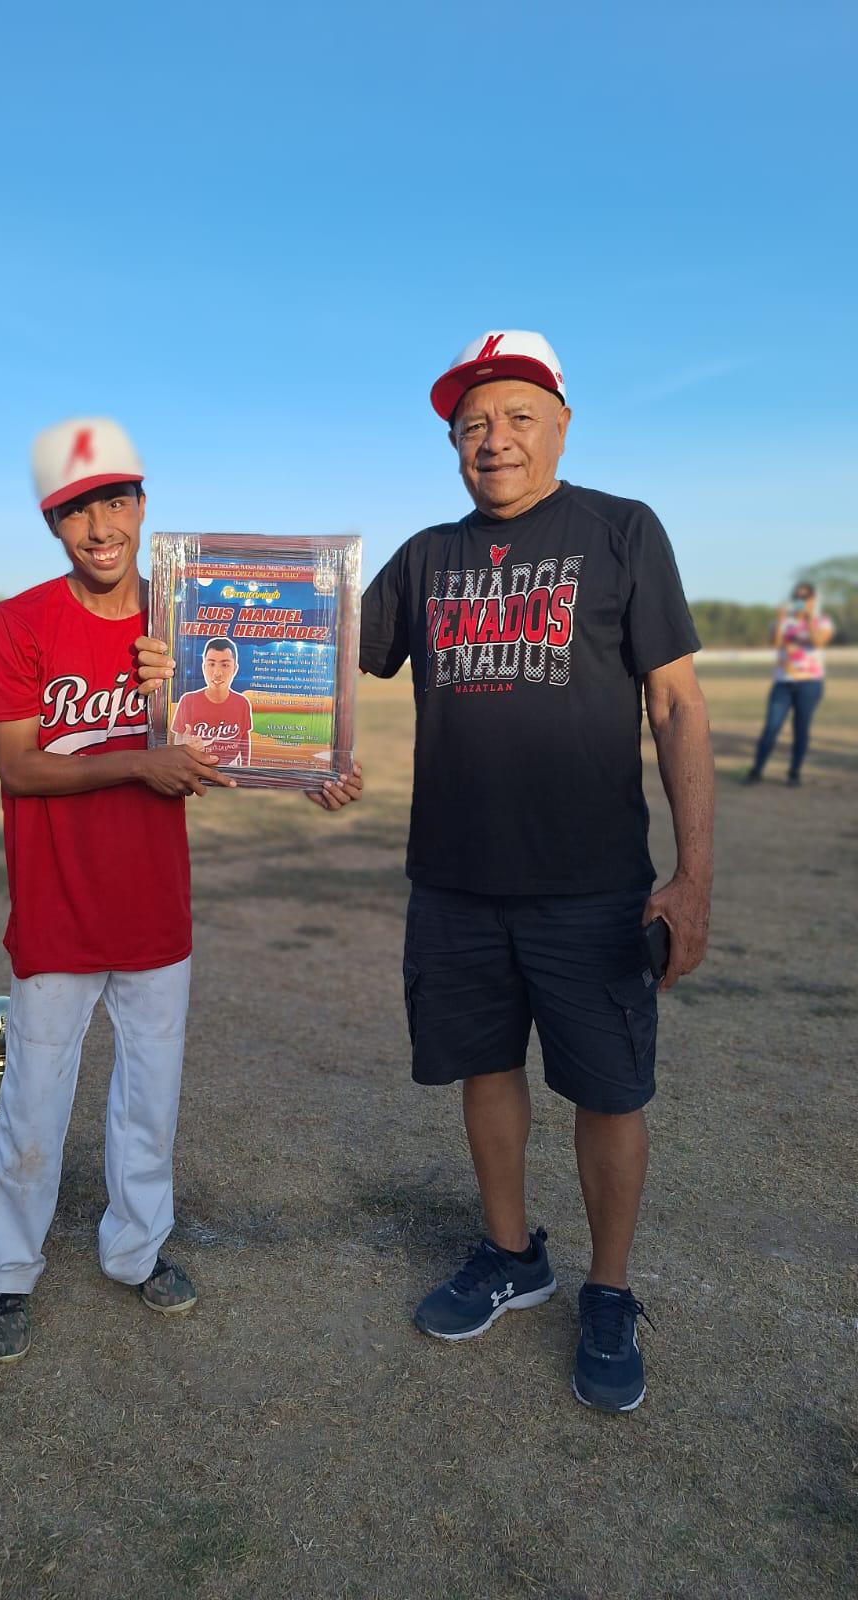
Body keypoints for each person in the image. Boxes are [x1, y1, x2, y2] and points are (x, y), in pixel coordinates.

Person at [359, 330, 714, 1412]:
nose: (494, 439)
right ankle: (512, 1255)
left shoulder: (621, 530)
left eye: (517, 416)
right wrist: (186, 637)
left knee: (608, 1091)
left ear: (561, 424)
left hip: (592, 885)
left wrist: (693, 877)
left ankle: (608, 1289)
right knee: (485, 1070)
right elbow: (320, 650)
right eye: (472, 424)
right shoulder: (425, 557)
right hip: (456, 881)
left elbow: (676, 703)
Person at [0, 415, 363, 1365]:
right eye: (76, 511)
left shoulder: (186, 618)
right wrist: (139, 761)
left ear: (143, 505)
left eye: (115, 501)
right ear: (51, 522)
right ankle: (6, 1270)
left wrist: (313, 767)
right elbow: (19, 768)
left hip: (153, 903)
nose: (100, 527)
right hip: (59, 905)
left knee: (150, 1098)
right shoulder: (17, 622)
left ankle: (136, 1252)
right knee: (32, 1104)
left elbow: (243, 720)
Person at [745, 581, 834, 786]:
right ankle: (756, 770)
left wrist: (809, 618)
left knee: (801, 728)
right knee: (771, 727)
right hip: (783, 682)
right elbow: (776, 644)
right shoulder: (783, 621)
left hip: (810, 683)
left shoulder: (823, 621)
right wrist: (780, 621)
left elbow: (818, 642)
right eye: (797, 597)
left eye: (805, 597)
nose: (800, 601)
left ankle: (794, 773)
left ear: (813, 599)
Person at [171, 636, 254, 765]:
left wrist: (245, 766)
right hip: (196, 767)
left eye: (225, 665)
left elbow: (244, 736)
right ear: (204, 667)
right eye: (211, 664)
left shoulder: (242, 703)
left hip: (231, 768)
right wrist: (185, 745)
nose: (217, 673)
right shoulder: (188, 701)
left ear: (235, 669)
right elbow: (178, 739)